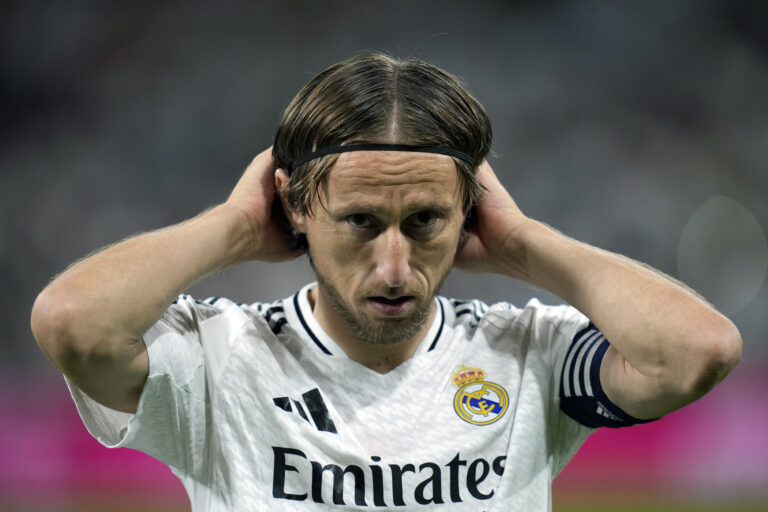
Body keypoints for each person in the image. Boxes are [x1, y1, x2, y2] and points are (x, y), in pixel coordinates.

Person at [31, 52, 742, 511]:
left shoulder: (529, 356)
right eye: (362, 222)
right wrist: (235, 228)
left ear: (470, 211)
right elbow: (72, 322)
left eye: (426, 220)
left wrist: (526, 244)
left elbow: (696, 352)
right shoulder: (217, 360)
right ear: (298, 205)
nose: (396, 267)